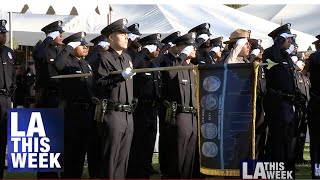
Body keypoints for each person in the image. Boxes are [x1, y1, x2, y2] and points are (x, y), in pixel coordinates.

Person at [92, 18, 136, 178]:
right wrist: (120, 78)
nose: (127, 37)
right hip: (113, 114)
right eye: (122, 34)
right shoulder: (103, 58)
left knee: (123, 160)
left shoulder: (127, 58)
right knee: (110, 158)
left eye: (127, 34)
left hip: (128, 114)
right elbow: (99, 84)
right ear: (111, 37)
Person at [54, 31, 92, 178]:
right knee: (71, 150)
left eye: (86, 45)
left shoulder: (86, 64)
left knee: (81, 151)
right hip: (72, 111)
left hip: (86, 112)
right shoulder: (66, 61)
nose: (85, 47)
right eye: (81, 45)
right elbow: (57, 64)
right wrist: (68, 47)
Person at [262, 23, 297, 176]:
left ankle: (288, 171)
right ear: (279, 39)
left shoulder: (285, 56)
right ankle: (278, 172)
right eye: (287, 38)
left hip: (289, 103)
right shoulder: (270, 53)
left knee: (288, 139)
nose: (290, 41)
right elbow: (271, 66)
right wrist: (277, 43)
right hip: (277, 103)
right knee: (278, 140)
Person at [32, 20, 64, 179]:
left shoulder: (58, 50)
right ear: (51, 34)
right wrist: (48, 39)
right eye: (59, 33)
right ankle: (45, 175)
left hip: (58, 98)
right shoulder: (42, 48)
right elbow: (39, 55)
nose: (62, 36)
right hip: (46, 99)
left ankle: (54, 173)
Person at [127, 33, 162, 178]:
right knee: (139, 140)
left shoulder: (153, 64)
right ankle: (137, 169)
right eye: (155, 47)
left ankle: (147, 166)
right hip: (140, 107)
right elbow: (131, 66)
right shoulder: (139, 60)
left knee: (150, 139)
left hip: (152, 107)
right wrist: (145, 51)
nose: (158, 51)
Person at [165, 32, 197, 178]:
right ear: (182, 48)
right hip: (180, 115)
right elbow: (170, 74)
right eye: (191, 46)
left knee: (189, 159)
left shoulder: (192, 68)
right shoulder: (174, 64)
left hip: (192, 116)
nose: (194, 49)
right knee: (178, 158)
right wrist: (182, 56)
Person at [84, 34, 109, 179]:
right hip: (95, 102)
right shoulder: (96, 55)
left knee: (100, 141)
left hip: (100, 102)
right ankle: (95, 173)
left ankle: (98, 172)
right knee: (95, 142)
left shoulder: (98, 54)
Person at [157, 31, 181, 178]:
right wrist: (165, 48)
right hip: (166, 103)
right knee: (166, 137)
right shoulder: (165, 59)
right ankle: (165, 167)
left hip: (176, 104)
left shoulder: (177, 59)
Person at [0, 19, 16, 179]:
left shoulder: (9, 52)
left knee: (3, 138)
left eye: (5, 32)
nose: (4, 35)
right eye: (1, 33)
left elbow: (12, 76)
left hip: (6, 99)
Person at [307, 35, 320, 179]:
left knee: (316, 144)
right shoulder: (315, 57)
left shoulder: (315, 57)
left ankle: (317, 172)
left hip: (316, 104)